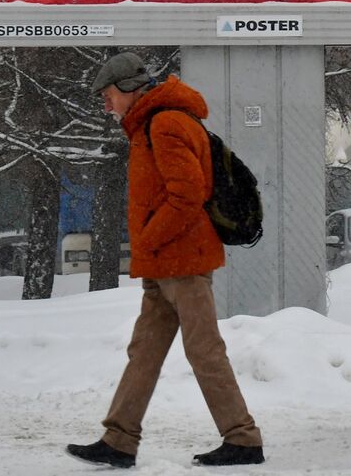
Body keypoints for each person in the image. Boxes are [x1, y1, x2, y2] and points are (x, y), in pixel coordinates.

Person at [66, 52, 264, 469]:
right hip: (165, 263)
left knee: (204, 350)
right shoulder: (148, 125)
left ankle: (242, 438)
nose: (106, 106)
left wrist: (150, 240)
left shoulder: (165, 123)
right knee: (145, 351)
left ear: (126, 90)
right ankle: (119, 439)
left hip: (182, 260)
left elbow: (187, 194)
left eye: (107, 96)